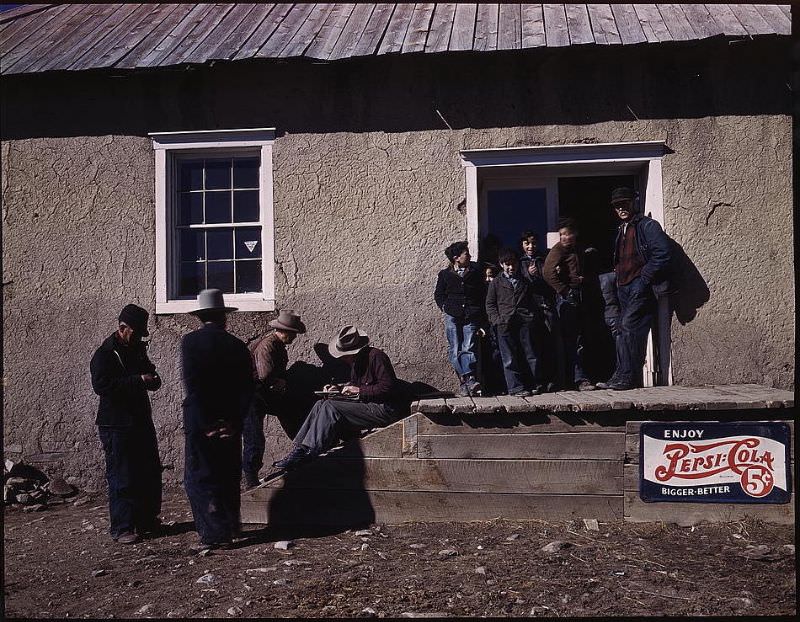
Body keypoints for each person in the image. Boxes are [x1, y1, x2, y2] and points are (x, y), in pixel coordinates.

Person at [272, 326, 408, 470]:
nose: (343, 358)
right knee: (321, 403)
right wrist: (338, 389)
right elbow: (356, 385)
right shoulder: (356, 362)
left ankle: (311, 451)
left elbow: (387, 388)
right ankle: (299, 449)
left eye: (345, 355)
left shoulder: (376, 357)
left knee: (331, 408)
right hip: (368, 404)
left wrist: (359, 390)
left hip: (384, 409)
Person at [181, 289, 254, 550]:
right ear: (224, 317)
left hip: (202, 423)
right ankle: (233, 525)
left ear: (201, 317)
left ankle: (214, 533)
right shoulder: (236, 345)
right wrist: (233, 422)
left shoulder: (190, 343)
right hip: (229, 422)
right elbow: (247, 388)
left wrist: (205, 424)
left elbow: (194, 387)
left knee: (200, 477)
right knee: (228, 474)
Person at [90, 303, 162, 545]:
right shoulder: (105, 354)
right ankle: (122, 527)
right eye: (136, 332)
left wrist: (152, 379)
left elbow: (150, 373)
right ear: (123, 328)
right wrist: (138, 380)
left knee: (148, 471)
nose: (139, 336)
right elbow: (102, 386)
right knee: (122, 475)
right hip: (116, 424)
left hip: (139, 419)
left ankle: (146, 520)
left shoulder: (137, 350)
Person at [597, 187, 672, 390]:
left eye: (624, 203)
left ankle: (629, 377)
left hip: (639, 285)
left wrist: (644, 278)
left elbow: (663, 253)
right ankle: (621, 375)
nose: (621, 208)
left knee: (630, 327)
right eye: (617, 205)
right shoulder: (622, 229)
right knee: (621, 328)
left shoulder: (647, 226)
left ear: (634, 202)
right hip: (624, 286)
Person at [242, 310, 307, 489]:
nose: (294, 338)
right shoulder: (267, 346)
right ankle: (250, 479)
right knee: (254, 436)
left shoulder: (277, 345)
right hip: (252, 394)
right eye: (293, 334)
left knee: (291, 413)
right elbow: (265, 375)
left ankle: (303, 449)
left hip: (264, 393)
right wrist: (280, 381)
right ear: (284, 331)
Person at [542, 219, 596, 391]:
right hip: (568, 297)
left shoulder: (578, 249)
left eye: (568, 234)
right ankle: (575, 379)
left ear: (575, 234)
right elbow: (548, 272)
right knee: (571, 340)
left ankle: (576, 378)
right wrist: (564, 290)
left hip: (580, 294)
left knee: (580, 338)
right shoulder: (559, 250)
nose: (565, 237)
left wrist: (583, 279)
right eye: (562, 234)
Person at [486, 247, 547, 396]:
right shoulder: (496, 283)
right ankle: (515, 387)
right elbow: (490, 304)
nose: (511, 267)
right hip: (504, 324)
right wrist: (497, 320)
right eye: (507, 264)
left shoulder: (524, 281)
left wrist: (531, 317)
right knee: (509, 358)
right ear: (501, 265)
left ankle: (535, 383)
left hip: (524, 322)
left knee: (530, 354)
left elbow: (533, 301)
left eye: (513, 264)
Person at [433, 241, 485, 396]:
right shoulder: (445, 274)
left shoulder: (475, 271)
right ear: (456, 258)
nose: (468, 256)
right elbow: (439, 294)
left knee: (468, 347)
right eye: (465, 254)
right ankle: (467, 380)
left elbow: (481, 292)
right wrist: (445, 307)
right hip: (452, 314)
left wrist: (478, 310)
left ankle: (467, 381)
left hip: (471, 314)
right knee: (454, 348)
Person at [518, 230, 558, 391]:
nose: (530, 246)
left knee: (548, 345)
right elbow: (519, 285)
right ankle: (536, 381)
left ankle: (552, 380)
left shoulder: (544, 260)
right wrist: (528, 275)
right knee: (531, 347)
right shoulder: (519, 263)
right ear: (522, 244)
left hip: (545, 306)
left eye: (533, 243)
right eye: (527, 243)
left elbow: (550, 279)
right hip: (529, 310)